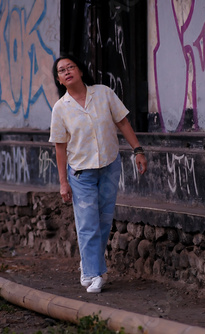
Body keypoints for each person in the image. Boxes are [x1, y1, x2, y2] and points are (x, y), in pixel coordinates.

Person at [49, 55, 147, 293]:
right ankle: (94, 273)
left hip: (110, 167)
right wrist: (63, 182)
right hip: (81, 174)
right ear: (60, 80)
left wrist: (138, 151)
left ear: (80, 71)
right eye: (62, 70)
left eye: (71, 67)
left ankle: (89, 262)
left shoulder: (103, 93)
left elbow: (123, 123)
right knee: (87, 225)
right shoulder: (61, 109)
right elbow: (60, 148)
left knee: (103, 222)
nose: (67, 71)